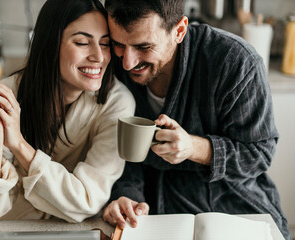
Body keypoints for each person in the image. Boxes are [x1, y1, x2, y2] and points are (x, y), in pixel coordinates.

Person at [102, 0, 291, 239]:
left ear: (179, 30)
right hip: (149, 211)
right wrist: (126, 195)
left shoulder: (235, 61)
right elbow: (118, 152)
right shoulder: (110, 61)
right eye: (118, 44)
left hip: (231, 201)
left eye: (144, 46)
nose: (127, 62)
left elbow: (259, 155)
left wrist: (195, 147)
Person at [0, 0, 135, 226]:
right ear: (51, 44)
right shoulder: (7, 96)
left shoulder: (117, 104)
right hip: (12, 229)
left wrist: (19, 144)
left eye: (105, 44)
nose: (99, 57)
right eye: (82, 42)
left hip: (79, 232)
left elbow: (86, 200)